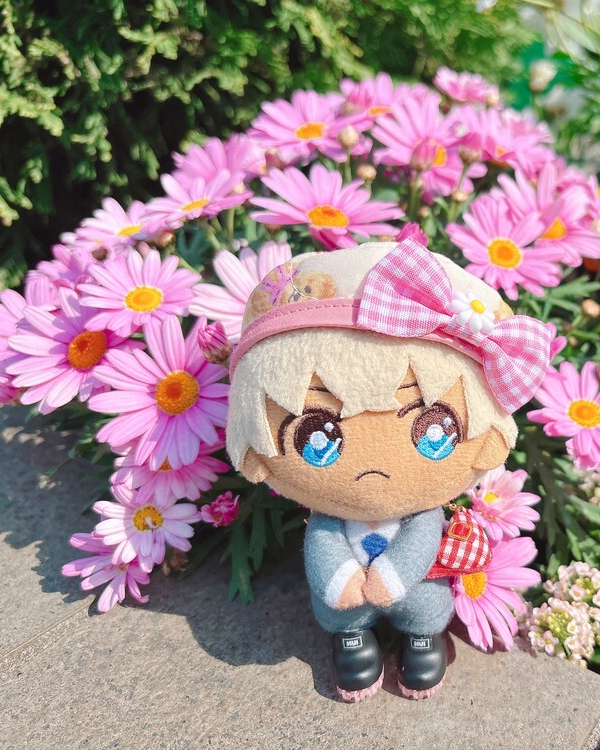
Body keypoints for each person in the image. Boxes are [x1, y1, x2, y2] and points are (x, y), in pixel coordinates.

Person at [226, 239, 549, 701]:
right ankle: (351, 638)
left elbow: (422, 539)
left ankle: (422, 637)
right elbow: (323, 542)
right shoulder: (329, 518)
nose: (374, 468)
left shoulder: (421, 514)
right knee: (338, 607)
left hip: (411, 584)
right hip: (351, 593)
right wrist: (342, 579)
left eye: (434, 432)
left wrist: (393, 576)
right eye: (315, 436)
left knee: (426, 602)